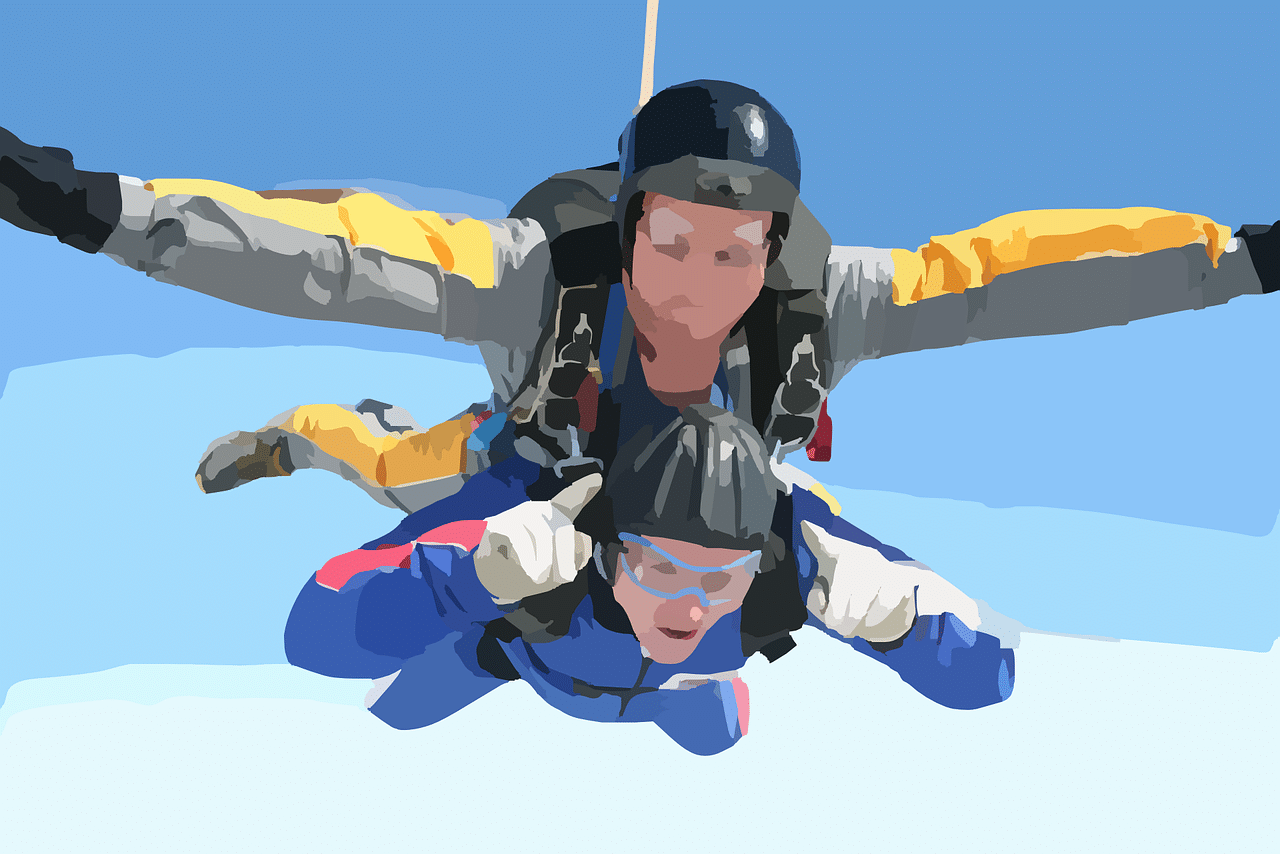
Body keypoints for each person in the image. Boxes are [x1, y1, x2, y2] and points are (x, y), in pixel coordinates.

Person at [2, 80, 1275, 515]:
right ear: (627, 229)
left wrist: (1238, 259)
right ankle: (301, 433)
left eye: (737, 250)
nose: (702, 284)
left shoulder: (828, 301)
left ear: (774, 243)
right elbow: (325, 255)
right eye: (673, 240)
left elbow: (1007, 280)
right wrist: (92, 209)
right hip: (531, 463)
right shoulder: (528, 281)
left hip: (711, 514)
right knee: (389, 470)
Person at [285, 405, 1011, 756]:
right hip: (509, 654)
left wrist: (908, 629)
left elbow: (992, 673)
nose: (690, 608)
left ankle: (700, 667)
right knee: (393, 714)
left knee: (719, 736)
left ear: (757, 561)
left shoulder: (799, 544)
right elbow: (313, 636)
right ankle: (372, 423)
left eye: (722, 579)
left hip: (677, 693)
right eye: (661, 567)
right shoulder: (542, 507)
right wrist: (468, 577)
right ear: (606, 549)